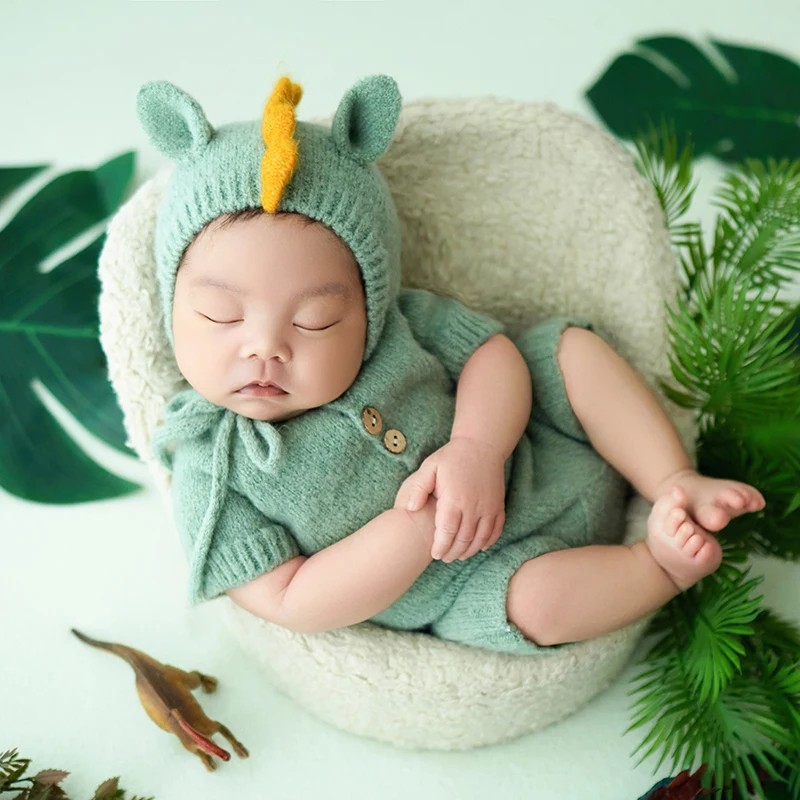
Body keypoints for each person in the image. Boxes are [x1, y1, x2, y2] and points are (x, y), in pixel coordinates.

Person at [140, 74, 765, 655]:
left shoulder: (399, 327)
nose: (265, 347)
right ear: (174, 308)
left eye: (315, 322)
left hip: (539, 440)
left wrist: (476, 449)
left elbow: (492, 353)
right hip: (471, 573)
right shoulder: (210, 467)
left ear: (367, 305)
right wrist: (418, 529)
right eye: (221, 316)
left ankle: (672, 480)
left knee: (565, 350)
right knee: (534, 607)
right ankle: (657, 567)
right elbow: (289, 597)